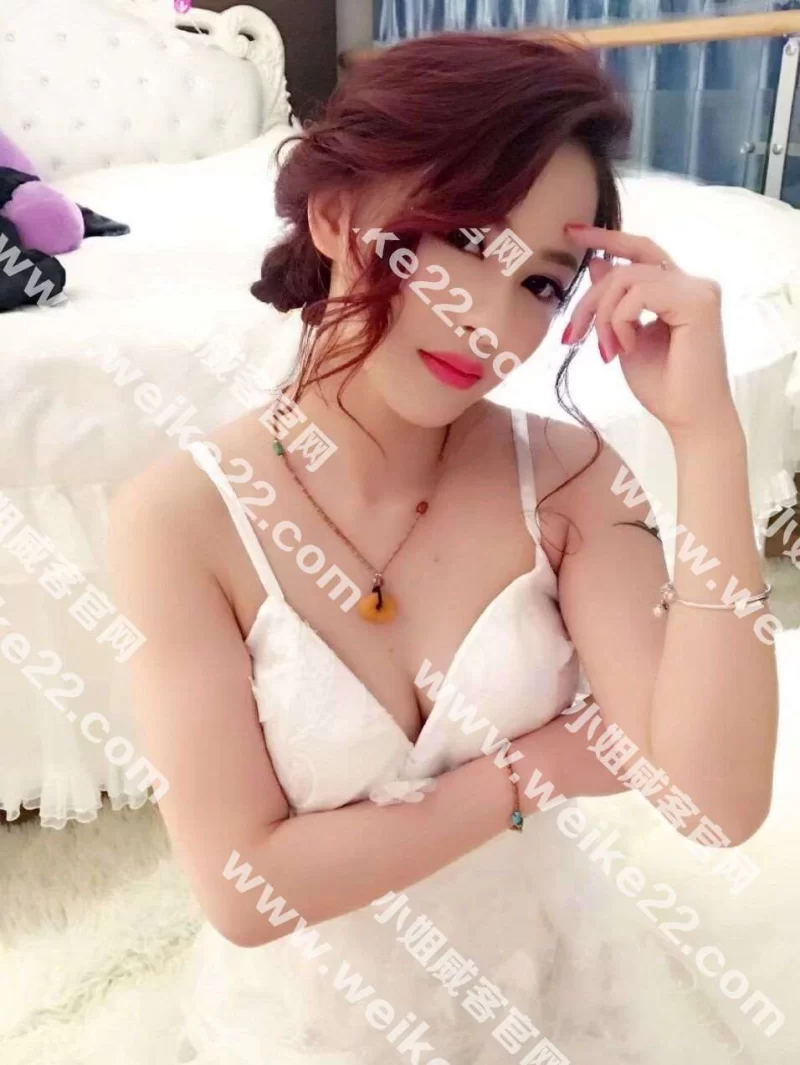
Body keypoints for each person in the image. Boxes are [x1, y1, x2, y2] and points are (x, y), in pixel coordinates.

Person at [108, 30, 778, 1065]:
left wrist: (708, 437)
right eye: (462, 237)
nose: (488, 320)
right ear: (335, 216)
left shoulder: (567, 477)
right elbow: (246, 891)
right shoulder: (181, 518)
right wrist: (527, 771)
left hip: (546, 993)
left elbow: (713, 804)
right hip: (313, 1030)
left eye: (542, 284)